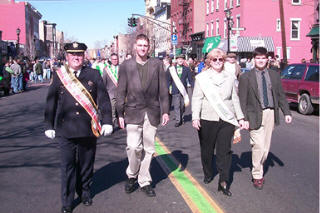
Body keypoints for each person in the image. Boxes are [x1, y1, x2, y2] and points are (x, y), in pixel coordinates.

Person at [44, 42, 113, 213]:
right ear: (67, 56)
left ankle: (84, 192)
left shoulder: (94, 74)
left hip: (87, 128)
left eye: (80, 54)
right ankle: (67, 200)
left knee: (85, 164)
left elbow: (103, 99)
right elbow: (51, 101)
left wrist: (107, 121)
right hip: (65, 129)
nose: (76, 57)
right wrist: (49, 124)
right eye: (73, 54)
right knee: (68, 166)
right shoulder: (59, 75)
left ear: (84, 56)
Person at [116, 34, 169, 197]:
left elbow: (163, 90)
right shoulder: (126, 65)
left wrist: (165, 110)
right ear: (135, 47)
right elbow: (121, 90)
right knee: (133, 147)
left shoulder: (157, 64)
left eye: (145, 45)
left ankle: (144, 180)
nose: (143, 48)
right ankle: (132, 174)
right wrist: (119, 113)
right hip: (132, 111)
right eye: (140, 45)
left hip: (152, 112)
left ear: (149, 47)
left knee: (149, 149)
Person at [192, 48, 246, 197]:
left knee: (224, 151)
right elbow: (197, 98)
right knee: (207, 150)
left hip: (226, 119)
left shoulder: (230, 77)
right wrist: (195, 117)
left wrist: (240, 117)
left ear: (224, 61)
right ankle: (208, 172)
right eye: (214, 59)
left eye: (220, 59)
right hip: (207, 118)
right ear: (209, 61)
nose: (217, 62)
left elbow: (234, 98)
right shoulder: (202, 77)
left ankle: (223, 181)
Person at [238, 47, 292, 190]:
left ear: (267, 59)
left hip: (270, 114)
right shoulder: (245, 77)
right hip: (253, 114)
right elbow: (242, 100)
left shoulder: (274, 75)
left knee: (265, 148)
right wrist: (242, 118)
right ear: (254, 60)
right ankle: (257, 175)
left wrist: (286, 112)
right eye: (258, 58)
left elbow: (280, 95)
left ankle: (258, 165)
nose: (261, 60)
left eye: (263, 58)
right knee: (258, 146)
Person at [167, 54, 194, 127]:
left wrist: (193, 87)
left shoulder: (187, 69)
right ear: (176, 60)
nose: (180, 60)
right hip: (175, 90)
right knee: (176, 105)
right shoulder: (171, 69)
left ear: (183, 60)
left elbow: (190, 80)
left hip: (183, 90)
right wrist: (168, 88)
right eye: (179, 59)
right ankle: (178, 120)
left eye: (182, 59)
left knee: (182, 105)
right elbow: (168, 80)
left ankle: (181, 117)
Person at [102, 53, 119, 128]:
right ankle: (114, 124)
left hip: (121, 93)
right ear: (111, 60)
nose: (115, 61)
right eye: (113, 59)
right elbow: (104, 82)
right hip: (111, 93)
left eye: (116, 59)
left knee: (120, 109)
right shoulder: (106, 70)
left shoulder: (122, 68)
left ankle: (120, 122)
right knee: (113, 110)